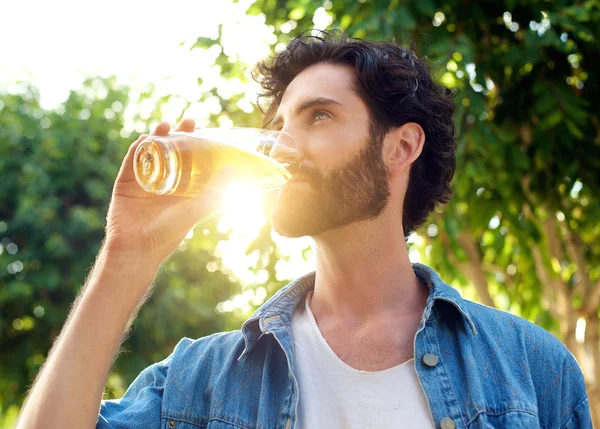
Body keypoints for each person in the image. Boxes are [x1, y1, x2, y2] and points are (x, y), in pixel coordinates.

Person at [18, 30, 591, 429]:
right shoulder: (208, 378)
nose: (285, 146)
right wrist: (127, 254)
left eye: (319, 116)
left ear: (402, 146)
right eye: (279, 125)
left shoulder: (533, 369)